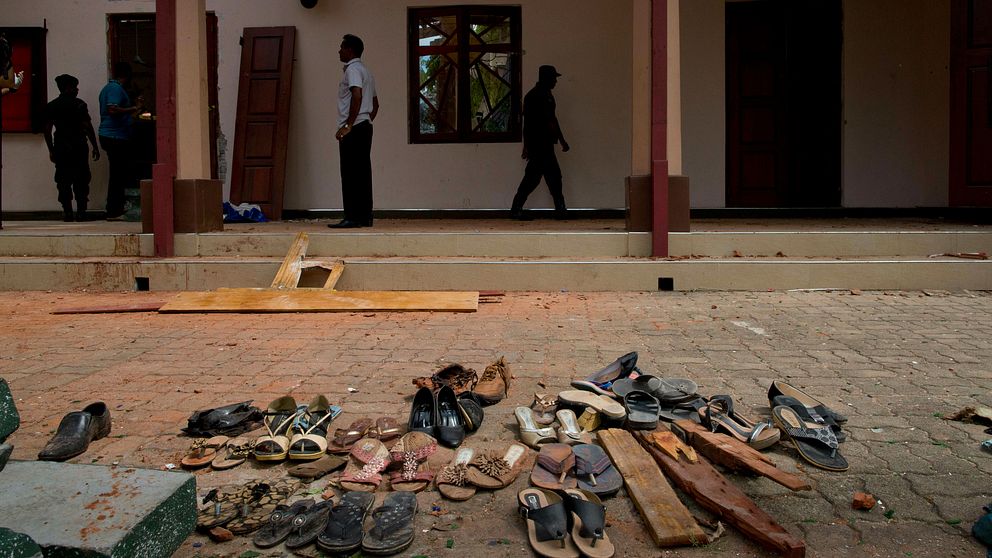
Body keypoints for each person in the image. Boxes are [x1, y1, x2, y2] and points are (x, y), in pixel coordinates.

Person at [328, 34, 379, 229]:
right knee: (363, 173)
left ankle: (352, 217)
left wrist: (349, 125)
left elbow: (356, 95)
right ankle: (365, 216)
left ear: (350, 50)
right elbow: (375, 104)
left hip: (354, 128)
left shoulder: (353, 70)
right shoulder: (367, 71)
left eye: (342, 48)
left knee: (349, 173)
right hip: (364, 126)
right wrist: (365, 120)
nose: (339, 51)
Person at [510, 65, 570, 221]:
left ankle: (560, 209)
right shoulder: (538, 96)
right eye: (554, 78)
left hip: (542, 144)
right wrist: (561, 140)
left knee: (548, 177)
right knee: (537, 178)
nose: (556, 81)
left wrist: (560, 140)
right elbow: (545, 121)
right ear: (546, 78)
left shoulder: (542, 95)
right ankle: (517, 210)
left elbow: (547, 120)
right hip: (540, 144)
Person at [43, 74, 100, 222]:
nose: (77, 90)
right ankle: (81, 212)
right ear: (68, 88)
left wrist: (51, 150)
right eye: (74, 87)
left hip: (61, 146)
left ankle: (67, 212)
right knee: (81, 179)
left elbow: (47, 130)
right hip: (79, 145)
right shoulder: (79, 104)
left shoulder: (52, 106)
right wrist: (94, 145)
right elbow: (87, 127)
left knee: (63, 180)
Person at [98, 62, 142, 220]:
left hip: (113, 135)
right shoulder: (115, 89)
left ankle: (115, 207)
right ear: (127, 75)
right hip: (115, 136)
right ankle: (114, 209)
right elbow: (112, 109)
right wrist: (133, 108)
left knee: (118, 173)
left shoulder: (109, 89)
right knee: (118, 174)